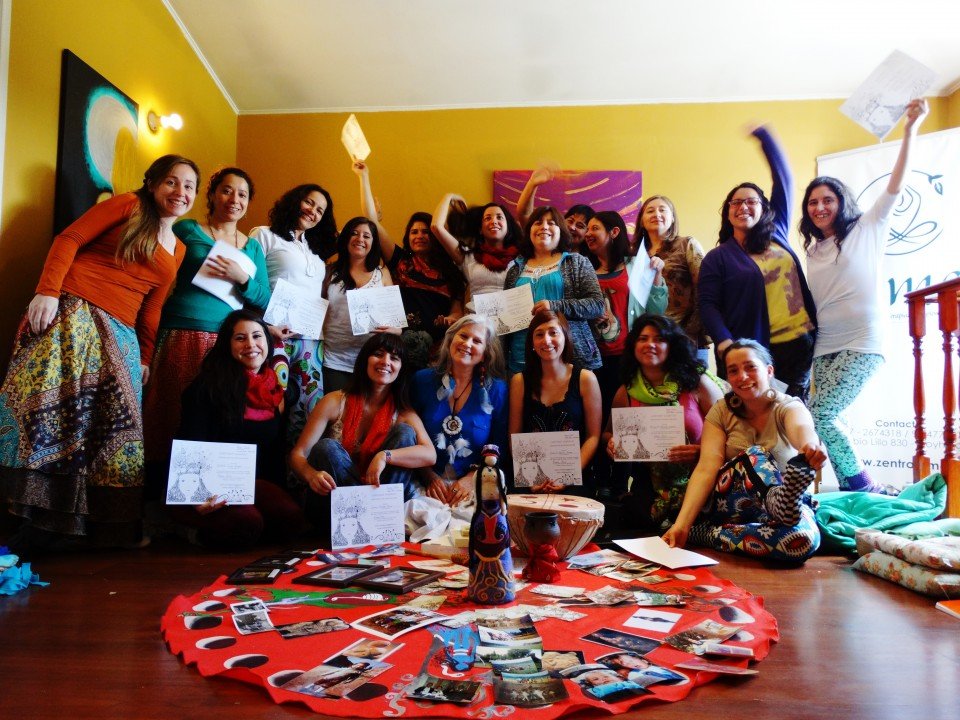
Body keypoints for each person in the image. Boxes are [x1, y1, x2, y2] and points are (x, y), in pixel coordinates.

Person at [0, 154, 198, 550]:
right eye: (172, 182)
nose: (180, 191)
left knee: (111, 429)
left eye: (189, 186)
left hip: (122, 332)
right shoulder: (128, 205)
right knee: (54, 415)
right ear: (153, 183)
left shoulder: (177, 249)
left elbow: (153, 306)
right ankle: (33, 524)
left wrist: (145, 356)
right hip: (75, 310)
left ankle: (94, 528)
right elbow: (68, 239)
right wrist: (47, 291)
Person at [801, 99, 929, 494]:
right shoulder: (812, 250)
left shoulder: (867, 227)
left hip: (863, 341)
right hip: (824, 345)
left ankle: (862, 485)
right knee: (825, 417)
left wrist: (910, 128)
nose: (820, 207)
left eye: (828, 199)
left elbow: (896, 184)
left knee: (823, 413)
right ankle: (850, 489)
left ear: (841, 202)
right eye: (813, 202)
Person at [144, 167, 269, 475]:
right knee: (167, 410)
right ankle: (159, 484)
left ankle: (204, 482)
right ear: (212, 194)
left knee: (213, 414)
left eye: (242, 194)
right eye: (227, 190)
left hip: (226, 342)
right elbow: (155, 264)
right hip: (179, 330)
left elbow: (264, 299)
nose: (234, 199)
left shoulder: (252, 247)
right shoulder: (187, 229)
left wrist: (242, 278)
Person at [662, 339, 826, 563]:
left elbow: (801, 428)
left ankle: (706, 534)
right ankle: (774, 501)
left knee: (799, 541)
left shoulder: (788, 406)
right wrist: (681, 525)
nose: (742, 376)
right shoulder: (721, 411)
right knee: (754, 455)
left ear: (769, 371)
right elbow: (707, 467)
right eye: (733, 371)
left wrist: (809, 447)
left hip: (783, 512)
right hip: (731, 505)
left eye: (750, 367)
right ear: (728, 378)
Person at [698, 126, 818, 402]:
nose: (743, 207)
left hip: (798, 345)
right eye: (736, 203)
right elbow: (707, 305)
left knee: (791, 413)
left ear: (764, 208)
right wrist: (724, 341)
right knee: (752, 416)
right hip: (750, 353)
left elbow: (784, 181)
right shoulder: (718, 257)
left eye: (751, 201)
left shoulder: (778, 233)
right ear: (728, 213)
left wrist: (765, 137)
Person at [169, 310, 304, 550]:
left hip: (252, 483)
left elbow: (273, 453)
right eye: (240, 338)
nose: (250, 344)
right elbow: (190, 444)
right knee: (246, 523)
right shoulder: (207, 387)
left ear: (267, 341)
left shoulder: (274, 389)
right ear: (228, 345)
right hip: (206, 486)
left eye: (257, 336)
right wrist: (195, 498)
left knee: (290, 519)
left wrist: (277, 498)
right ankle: (190, 529)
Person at [289, 333, 436, 537]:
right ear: (364, 360)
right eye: (378, 354)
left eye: (394, 358)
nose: (385, 362)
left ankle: (373, 523)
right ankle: (361, 525)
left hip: (381, 509)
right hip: (334, 513)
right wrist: (311, 475)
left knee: (404, 433)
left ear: (401, 369)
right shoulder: (334, 401)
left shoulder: (403, 413)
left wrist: (384, 456)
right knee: (326, 448)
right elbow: (298, 454)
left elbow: (430, 454)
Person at [605, 315, 725, 532]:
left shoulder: (697, 384)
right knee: (636, 523)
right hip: (651, 484)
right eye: (643, 338)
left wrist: (702, 452)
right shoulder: (626, 392)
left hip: (703, 477)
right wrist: (612, 443)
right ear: (634, 346)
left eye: (659, 339)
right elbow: (608, 433)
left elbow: (731, 433)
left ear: (672, 346)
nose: (650, 344)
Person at [584, 211, 668, 498]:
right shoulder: (585, 270)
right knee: (596, 421)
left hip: (628, 358)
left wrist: (657, 276)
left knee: (626, 421)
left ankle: (621, 487)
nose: (588, 233)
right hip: (594, 360)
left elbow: (656, 312)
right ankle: (599, 484)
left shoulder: (636, 265)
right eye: (587, 229)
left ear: (614, 232)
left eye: (595, 228)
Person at [353, 161, 465, 369]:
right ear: (408, 237)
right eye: (414, 232)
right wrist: (364, 177)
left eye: (425, 232)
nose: (419, 236)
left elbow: (457, 311)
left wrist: (451, 319)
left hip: (437, 351)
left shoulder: (451, 270)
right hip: (397, 349)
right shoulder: (400, 260)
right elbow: (372, 222)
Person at [251, 184, 337, 440]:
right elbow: (249, 285)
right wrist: (264, 327)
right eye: (309, 202)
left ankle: (297, 464)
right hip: (274, 334)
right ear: (294, 200)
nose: (313, 211)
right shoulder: (264, 235)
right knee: (269, 402)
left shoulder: (316, 250)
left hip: (311, 339)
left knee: (308, 409)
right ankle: (266, 463)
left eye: (320, 210)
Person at [410, 315, 508, 508]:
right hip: (423, 483)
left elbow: (499, 445)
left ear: (485, 353)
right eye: (463, 336)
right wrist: (429, 477)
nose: (467, 344)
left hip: (475, 485)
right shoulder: (421, 381)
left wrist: (473, 477)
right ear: (450, 340)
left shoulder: (497, 390)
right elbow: (410, 436)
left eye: (477, 341)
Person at [509, 310, 602, 495]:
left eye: (553, 333)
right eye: (539, 334)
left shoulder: (586, 378)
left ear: (565, 337)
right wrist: (531, 479)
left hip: (575, 479)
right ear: (532, 343)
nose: (546, 340)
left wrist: (568, 475)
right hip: (530, 479)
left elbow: (593, 437)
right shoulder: (519, 381)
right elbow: (514, 436)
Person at [503, 206, 604, 373]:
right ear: (529, 231)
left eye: (551, 223)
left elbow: (597, 305)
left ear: (561, 231)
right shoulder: (515, 269)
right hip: (521, 359)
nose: (544, 227)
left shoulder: (577, 262)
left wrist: (554, 306)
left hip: (570, 358)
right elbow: (506, 318)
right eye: (538, 223)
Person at [321, 216, 399, 392]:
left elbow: (396, 323)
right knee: (336, 407)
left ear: (373, 242)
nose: (360, 239)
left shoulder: (382, 272)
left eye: (366, 236)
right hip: (334, 359)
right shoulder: (329, 271)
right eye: (354, 233)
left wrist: (395, 330)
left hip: (372, 361)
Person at [635, 195, 711, 364]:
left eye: (662, 210)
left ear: (672, 218)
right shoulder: (635, 254)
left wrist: (691, 331)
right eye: (650, 211)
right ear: (641, 221)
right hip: (649, 340)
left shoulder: (686, 244)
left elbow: (705, 289)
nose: (656, 214)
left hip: (686, 335)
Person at [432, 194, 523, 304]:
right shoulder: (467, 256)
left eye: (499, 217)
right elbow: (436, 226)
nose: (494, 221)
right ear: (480, 229)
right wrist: (449, 196)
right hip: (476, 314)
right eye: (488, 218)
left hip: (513, 313)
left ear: (508, 227)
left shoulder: (521, 257)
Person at [515, 166, 595, 253]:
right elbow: (524, 214)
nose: (572, 227)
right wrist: (532, 184)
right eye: (570, 221)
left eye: (580, 226)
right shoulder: (545, 244)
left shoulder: (590, 259)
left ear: (588, 233)